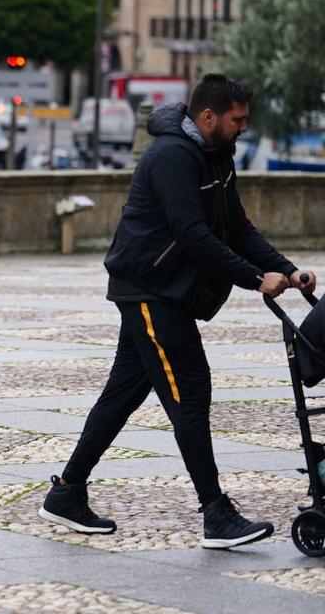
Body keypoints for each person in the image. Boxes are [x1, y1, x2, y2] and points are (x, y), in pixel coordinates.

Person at [39, 74, 317, 549]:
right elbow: (193, 235)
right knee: (189, 389)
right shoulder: (170, 157)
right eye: (238, 119)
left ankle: (66, 494)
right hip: (148, 287)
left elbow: (236, 227)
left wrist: (286, 270)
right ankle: (215, 514)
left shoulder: (216, 155)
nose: (243, 128)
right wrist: (254, 280)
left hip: (165, 290)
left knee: (123, 393)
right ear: (208, 116)